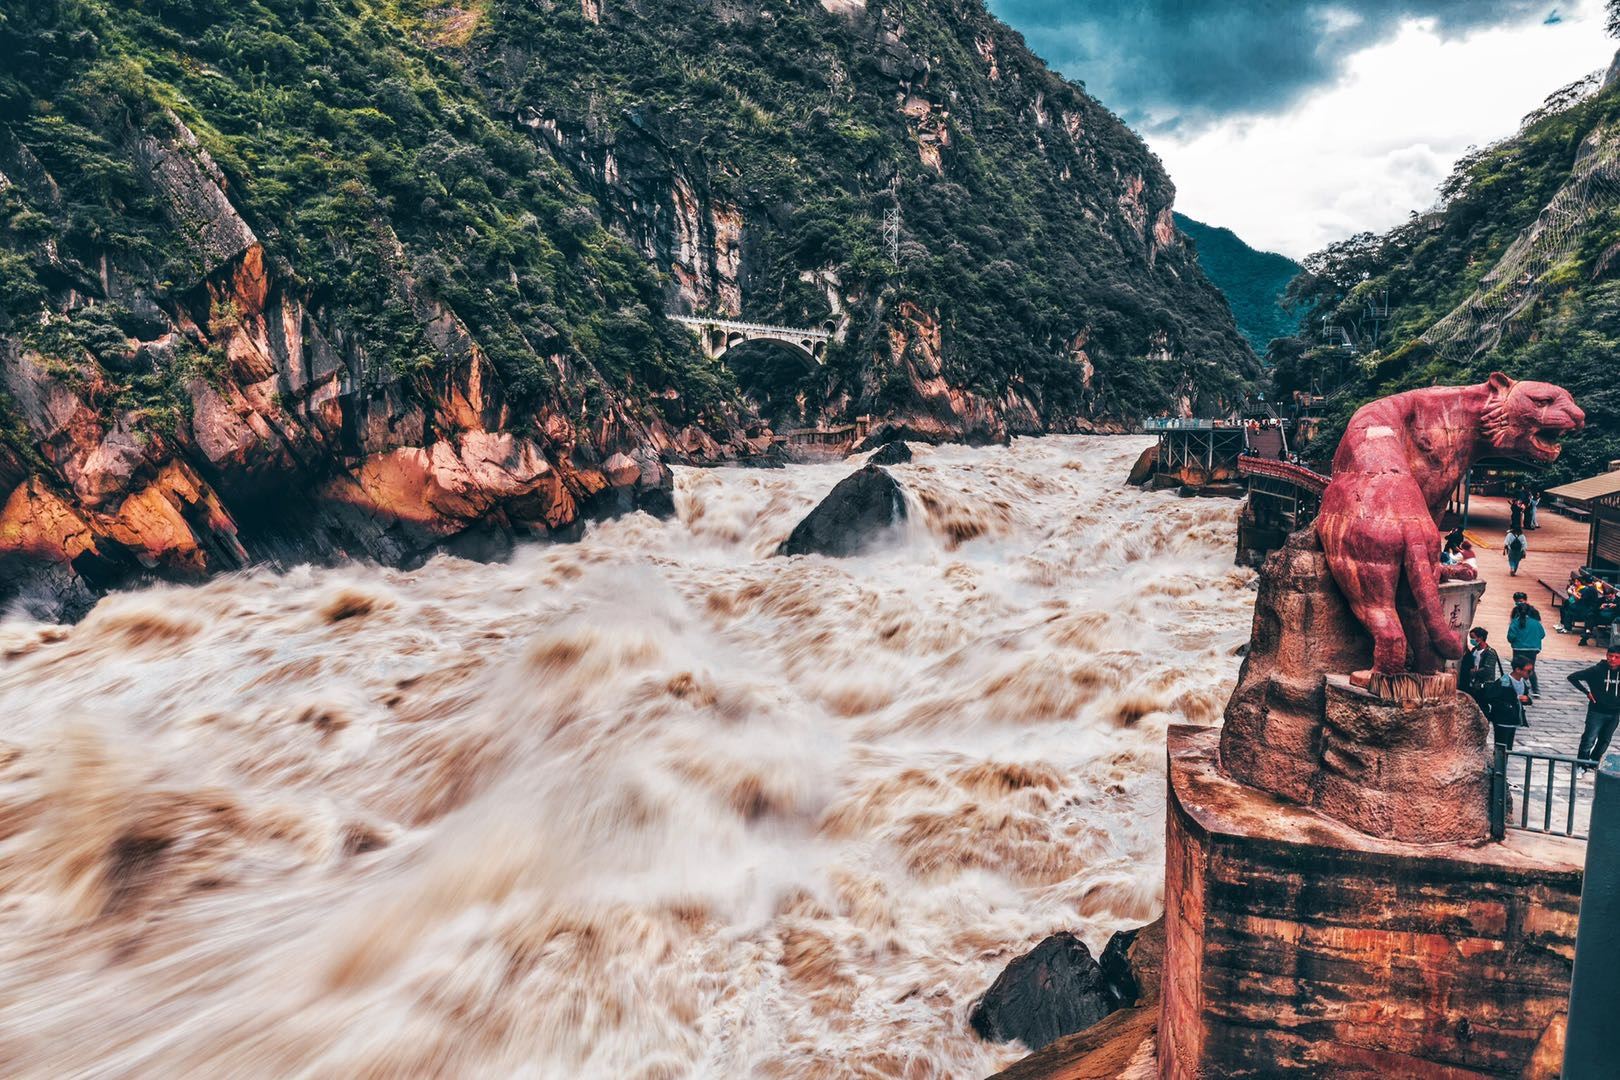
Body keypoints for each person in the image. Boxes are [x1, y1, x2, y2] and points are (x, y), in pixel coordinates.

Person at [1569, 644, 1620, 765]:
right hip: (1596, 711)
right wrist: (1587, 692)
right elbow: (1573, 677)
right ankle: (1581, 764)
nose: (1612, 659)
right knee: (1589, 739)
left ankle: (1594, 761)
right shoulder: (1597, 670)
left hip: (1615, 713)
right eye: (1610, 656)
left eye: (1616, 657)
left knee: (1605, 740)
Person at [1486, 657, 1534, 749]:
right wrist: (1509, 704)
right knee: (1501, 747)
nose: (1530, 673)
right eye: (1528, 671)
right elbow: (1491, 697)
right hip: (1503, 720)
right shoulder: (1504, 682)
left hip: (1514, 719)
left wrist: (1527, 700)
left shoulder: (1523, 682)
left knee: (1508, 747)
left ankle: (1504, 762)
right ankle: (1499, 763)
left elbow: (1525, 697)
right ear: (1518, 670)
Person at [1507, 593, 1545, 697]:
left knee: (1517, 668)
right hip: (1533, 649)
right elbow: (1542, 634)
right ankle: (1535, 689)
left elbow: (1511, 637)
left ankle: (1517, 687)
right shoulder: (1536, 622)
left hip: (1518, 648)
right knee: (1530, 668)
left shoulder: (1515, 622)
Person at [1459, 627, 1502, 704]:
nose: (1472, 640)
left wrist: (1474, 672)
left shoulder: (1490, 652)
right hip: (1472, 685)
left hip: (1482, 686)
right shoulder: (1474, 650)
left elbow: (1488, 670)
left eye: (1473, 637)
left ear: (1481, 638)